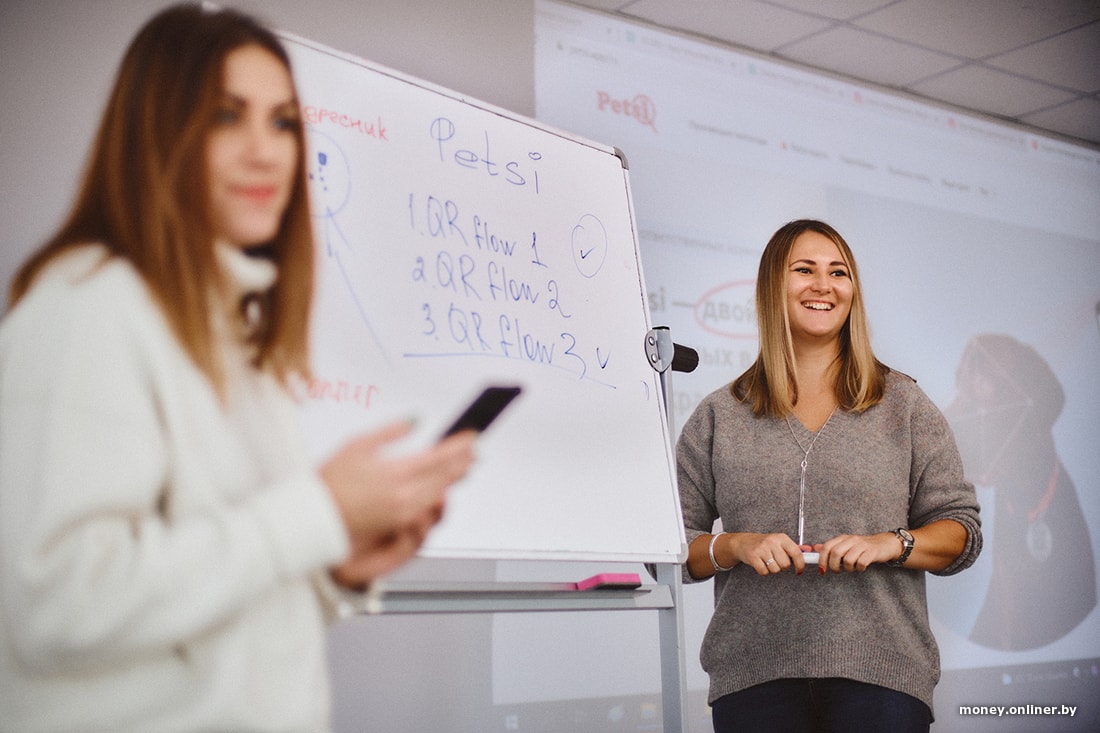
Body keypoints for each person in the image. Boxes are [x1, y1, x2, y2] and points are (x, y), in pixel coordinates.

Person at [0, 4, 475, 731]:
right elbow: (56, 604)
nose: (267, 153)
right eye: (228, 117)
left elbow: (214, 610)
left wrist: (335, 565)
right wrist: (318, 511)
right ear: (160, 134)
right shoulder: (87, 308)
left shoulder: (232, 335)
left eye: (283, 123)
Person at [677, 219, 982, 732]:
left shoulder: (904, 405)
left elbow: (962, 533)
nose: (824, 285)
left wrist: (891, 544)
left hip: (882, 678)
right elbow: (671, 549)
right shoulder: (718, 415)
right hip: (752, 679)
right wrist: (734, 545)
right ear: (772, 286)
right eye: (805, 270)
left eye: (838, 272)